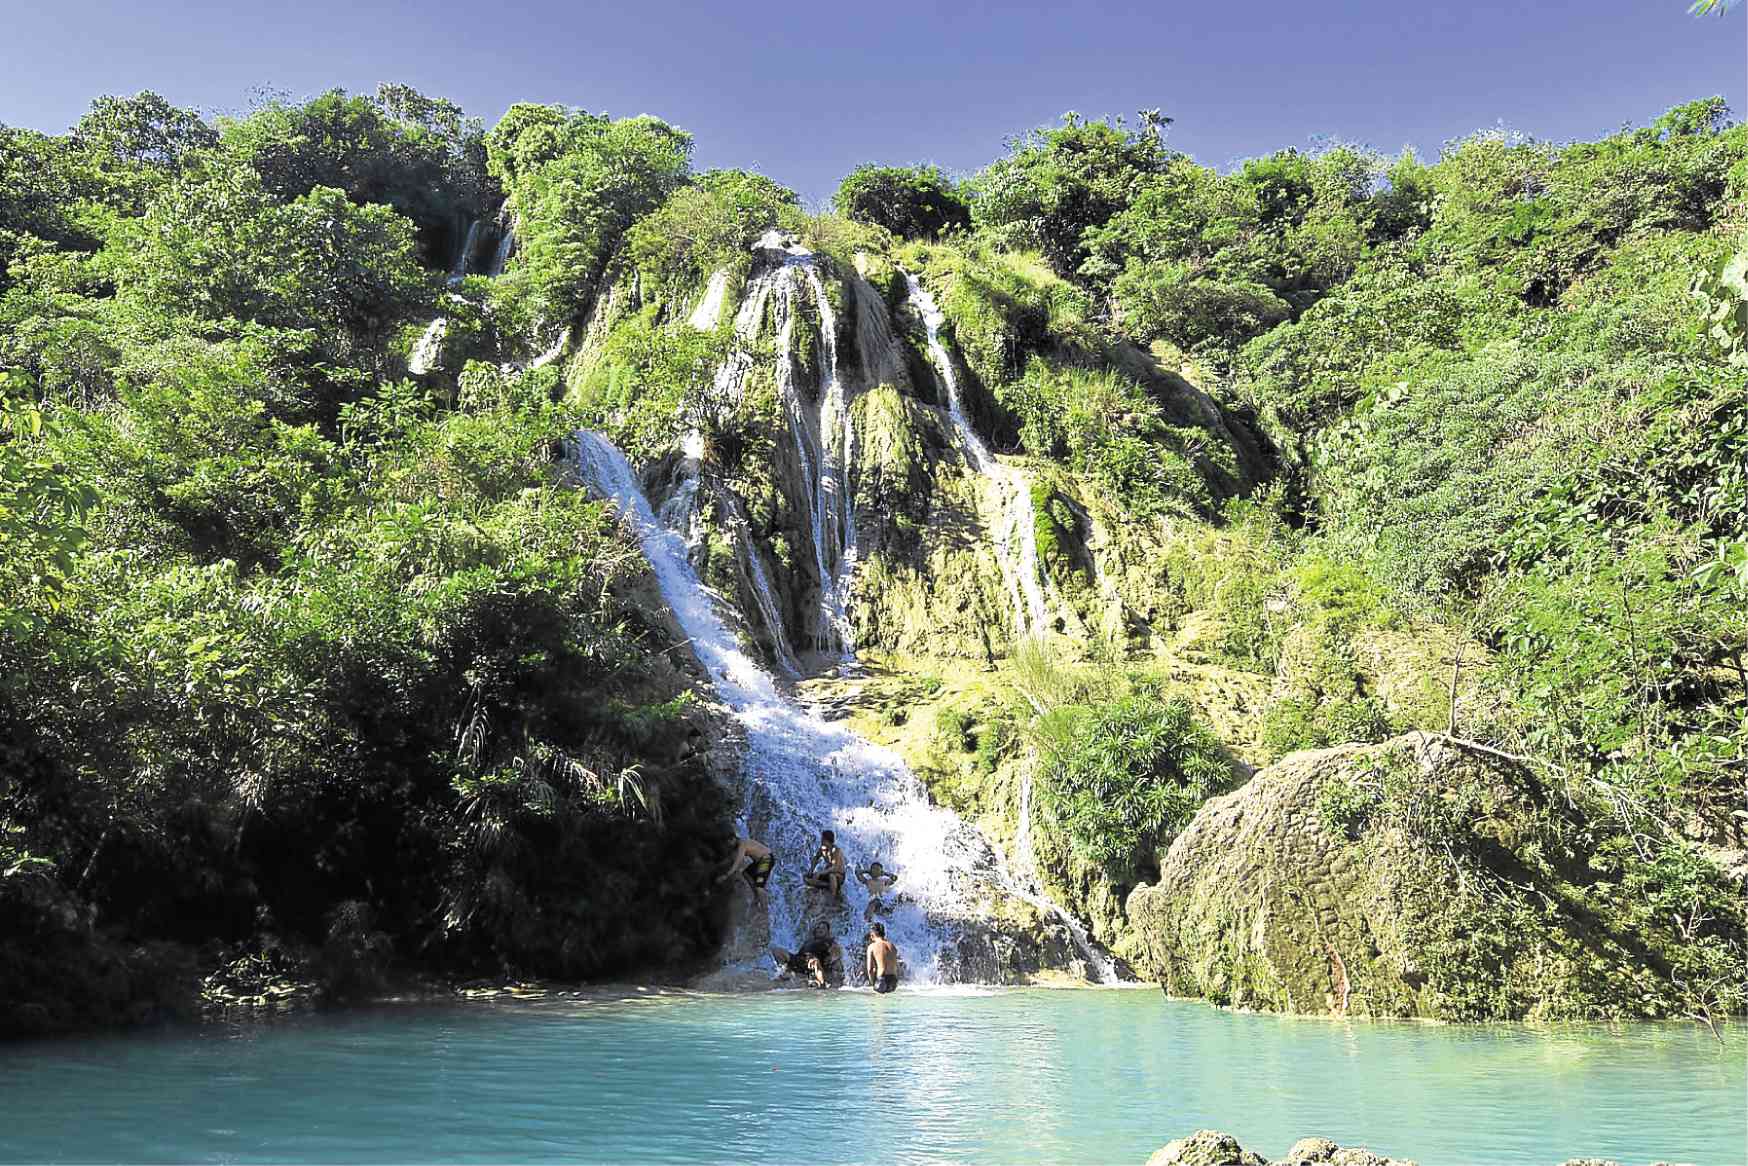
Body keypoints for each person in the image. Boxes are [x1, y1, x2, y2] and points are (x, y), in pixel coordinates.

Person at [771, 921, 843, 987]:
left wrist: (831, 958)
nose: (820, 929)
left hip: (814, 962)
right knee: (777, 951)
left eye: (823, 928)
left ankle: (822, 984)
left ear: (827, 932)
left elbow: (837, 951)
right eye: (818, 928)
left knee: (814, 961)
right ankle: (785, 971)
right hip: (800, 959)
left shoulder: (829, 941)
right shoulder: (809, 941)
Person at [716, 834, 774, 899]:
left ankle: (764, 908)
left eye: (729, 842)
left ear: (733, 839)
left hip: (766, 859)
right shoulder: (738, 846)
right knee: (746, 873)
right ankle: (756, 897)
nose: (729, 845)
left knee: (759, 887)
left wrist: (725, 876)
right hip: (759, 862)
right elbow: (730, 859)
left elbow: (737, 863)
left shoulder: (742, 845)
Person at [803, 829, 846, 896]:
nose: (821, 840)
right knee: (807, 877)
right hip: (827, 873)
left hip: (839, 875)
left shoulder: (836, 850)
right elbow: (816, 858)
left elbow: (835, 867)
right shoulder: (823, 849)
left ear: (827, 841)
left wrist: (820, 873)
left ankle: (833, 896)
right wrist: (811, 870)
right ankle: (826, 885)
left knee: (832, 876)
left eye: (822, 839)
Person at [865, 922, 899, 994]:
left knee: (878, 1004)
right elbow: (895, 966)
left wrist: (873, 983)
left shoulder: (872, 947)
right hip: (893, 981)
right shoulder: (892, 946)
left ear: (872, 934)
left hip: (882, 980)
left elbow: (870, 969)